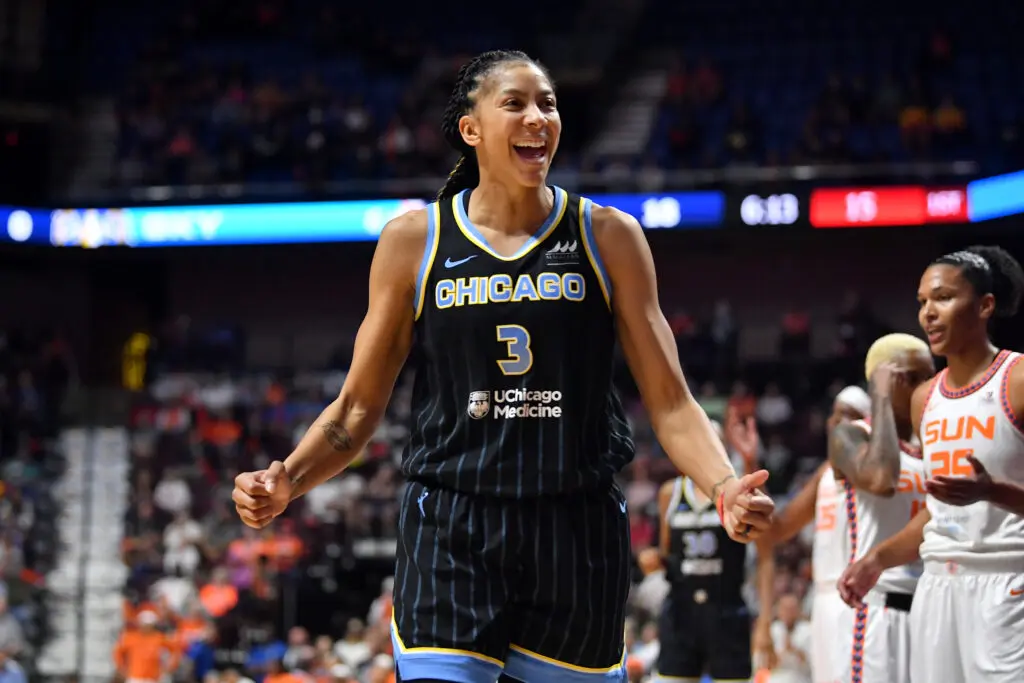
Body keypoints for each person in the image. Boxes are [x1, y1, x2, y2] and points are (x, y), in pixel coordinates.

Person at [231, 49, 775, 683]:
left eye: (547, 103)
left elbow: (672, 402)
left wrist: (721, 485)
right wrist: (289, 479)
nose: (537, 117)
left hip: (575, 528)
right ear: (472, 129)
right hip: (454, 522)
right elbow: (357, 409)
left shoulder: (608, 236)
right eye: (514, 103)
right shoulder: (415, 241)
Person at [839, 246, 1024, 683]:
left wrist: (991, 491)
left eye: (942, 298)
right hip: (938, 585)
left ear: (985, 305)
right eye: (922, 302)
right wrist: (875, 560)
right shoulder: (926, 400)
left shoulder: (1016, 379)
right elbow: (940, 513)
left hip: (1007, 584)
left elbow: (977, 497)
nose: (928, 314)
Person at [826, 334, 935, 683]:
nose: (931, 387)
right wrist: (881, 397)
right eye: (919, 378)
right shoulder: (849, 434)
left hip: (931, 606)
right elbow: (881, 478)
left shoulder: (933, 443)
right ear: (890, 379)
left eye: (931, 376)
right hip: (877, 612)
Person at [758, 386, 869, 683]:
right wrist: (750, 464)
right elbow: (778, 529)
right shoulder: (824, 474)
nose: (835, 422)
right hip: (823, 598)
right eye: (833, 415)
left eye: (847, 415)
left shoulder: (879, 471)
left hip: (862, 595)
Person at [653, 419, 775, 683]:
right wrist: (651, 559)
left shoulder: (737, 493)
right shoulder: (669, 493)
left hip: (727, 611)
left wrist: (765, 621)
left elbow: (766, 550)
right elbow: (664, 554)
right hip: (681, 612)